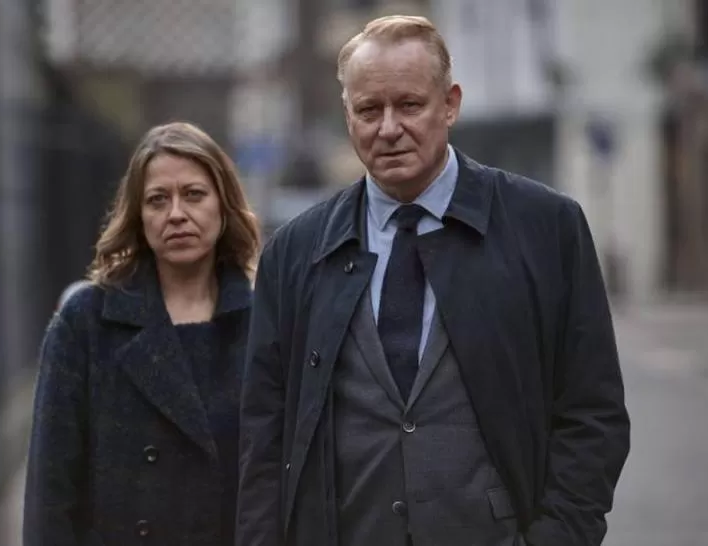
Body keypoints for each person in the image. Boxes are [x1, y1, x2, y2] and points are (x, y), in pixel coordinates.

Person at [236, 15, 630, 546]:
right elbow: (264, 435)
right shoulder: (294, 253)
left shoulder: (547, 229)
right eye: (369, 110)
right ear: (348, 116)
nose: (389, 128)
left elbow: (592, 413)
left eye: (409, 105)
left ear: (450, 104)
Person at [24, 121, 262, 546]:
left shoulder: (263, 322)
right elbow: (50, 494)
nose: (176, 214)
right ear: (138, 215)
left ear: (223, 206)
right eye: (157, 199)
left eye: (194, 194)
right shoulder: (88, 322)